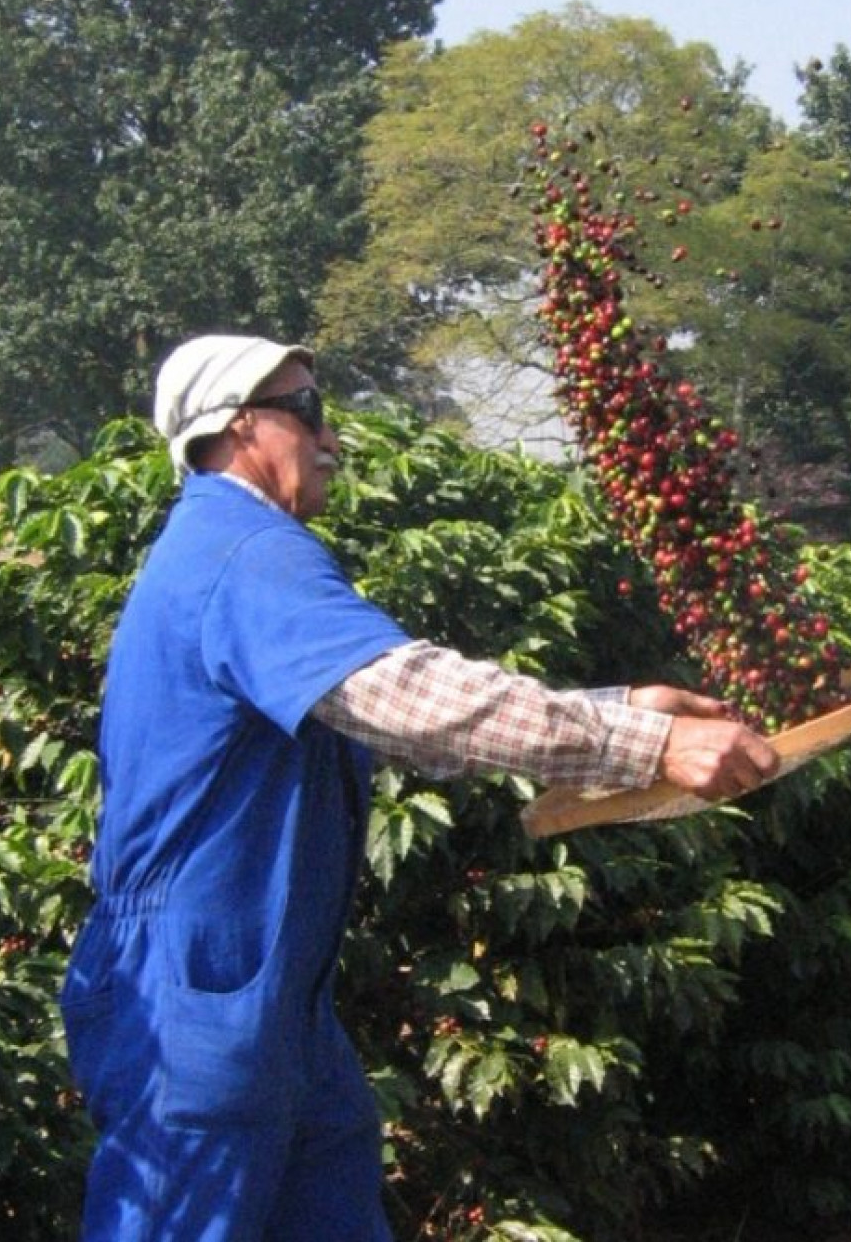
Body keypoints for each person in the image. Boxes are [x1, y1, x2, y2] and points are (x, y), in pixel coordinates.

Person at [61, 334, 779, 1242]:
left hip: (267, 996)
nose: (332, 441)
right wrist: (649, 743)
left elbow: (389, 724)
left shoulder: (233, 555)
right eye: (311, 411)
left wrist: (619, 704)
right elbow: (412, 699)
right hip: (193, 986)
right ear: (239, 423)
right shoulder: (241, 551)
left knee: (330, 1184)